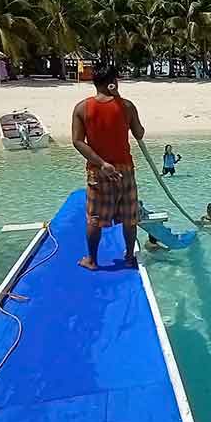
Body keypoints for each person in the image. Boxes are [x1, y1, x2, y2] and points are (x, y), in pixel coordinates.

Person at [72, 65, 145, 271]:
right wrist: (119, 99)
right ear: (113, 82)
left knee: (94, 218)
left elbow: (78, 141)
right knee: (129, 217)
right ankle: (129, 257)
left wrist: (102, 163)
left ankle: (92, 261)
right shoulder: (127, 106)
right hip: (125, 169)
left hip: (98, 170)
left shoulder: (81, 108)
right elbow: (139, 133)